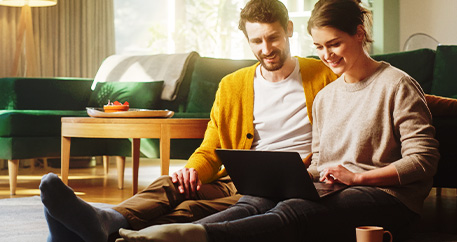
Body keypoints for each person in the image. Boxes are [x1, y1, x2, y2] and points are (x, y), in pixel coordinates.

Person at [114, 0, 440, 241]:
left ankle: (198, 236)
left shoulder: (394, 83)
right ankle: (145, 228)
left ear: (359, 34)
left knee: (292, 211)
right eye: (320, 47)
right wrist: (298, 173)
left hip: (385, 193)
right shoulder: (328, 95)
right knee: (254, 201)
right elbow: (323, 159)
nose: (327, 55)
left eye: (334, 44)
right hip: (332, 186)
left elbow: (423, 159)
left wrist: (356, 179)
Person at [38, 0, 337, 241]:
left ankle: (99, 233)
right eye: (256, 40)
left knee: (192, 209)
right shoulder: (232, 85)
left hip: (287, 185)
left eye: (273, 37)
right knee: (173, 184)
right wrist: (192, 171)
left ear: (289, 29)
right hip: (236, 181)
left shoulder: (323, 76)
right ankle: (109, 219)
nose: (266, 48)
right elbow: (210, 147)